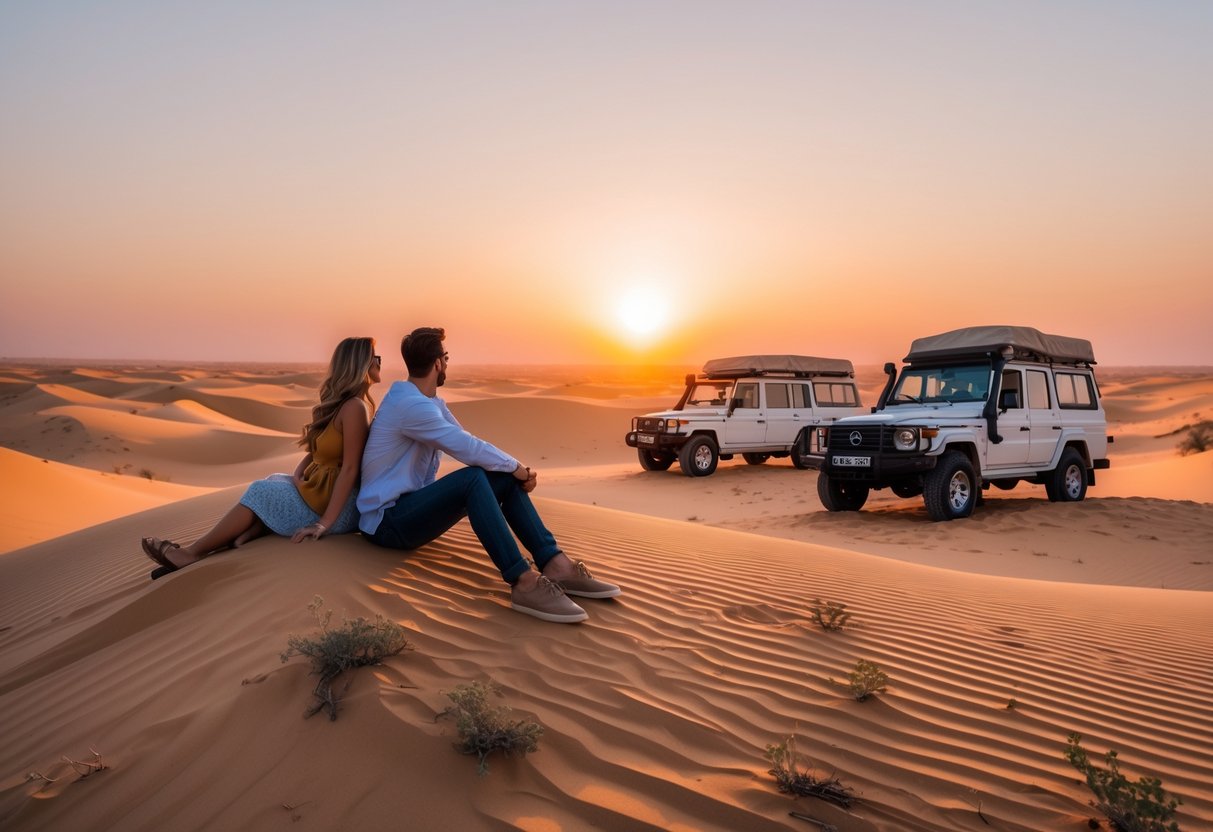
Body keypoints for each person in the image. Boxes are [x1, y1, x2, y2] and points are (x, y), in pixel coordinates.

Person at [357, 326, 620, 623]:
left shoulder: (425, 402)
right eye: (446, 357)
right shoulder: (410, 406)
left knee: (501, 476)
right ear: (438, 364)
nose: (446, 363)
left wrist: (513, 470)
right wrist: (519, 469)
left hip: (410, 511)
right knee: (473, 478)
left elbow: (470, 442)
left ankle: (556, 563)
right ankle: (522, 581)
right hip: (388, 523)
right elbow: (466, 447)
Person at [141, 337, 381, 574]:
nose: (379, 363)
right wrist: (297, 475)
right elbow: (316, 452)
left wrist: (323, 524)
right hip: (320, 494)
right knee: (274, 480)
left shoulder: (355, 408)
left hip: (338, 509)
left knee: (260, 491)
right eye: (375, 359)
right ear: (359, 365)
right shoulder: (346, 407)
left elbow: (350, 468)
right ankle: (248, 532)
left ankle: (190, 554)